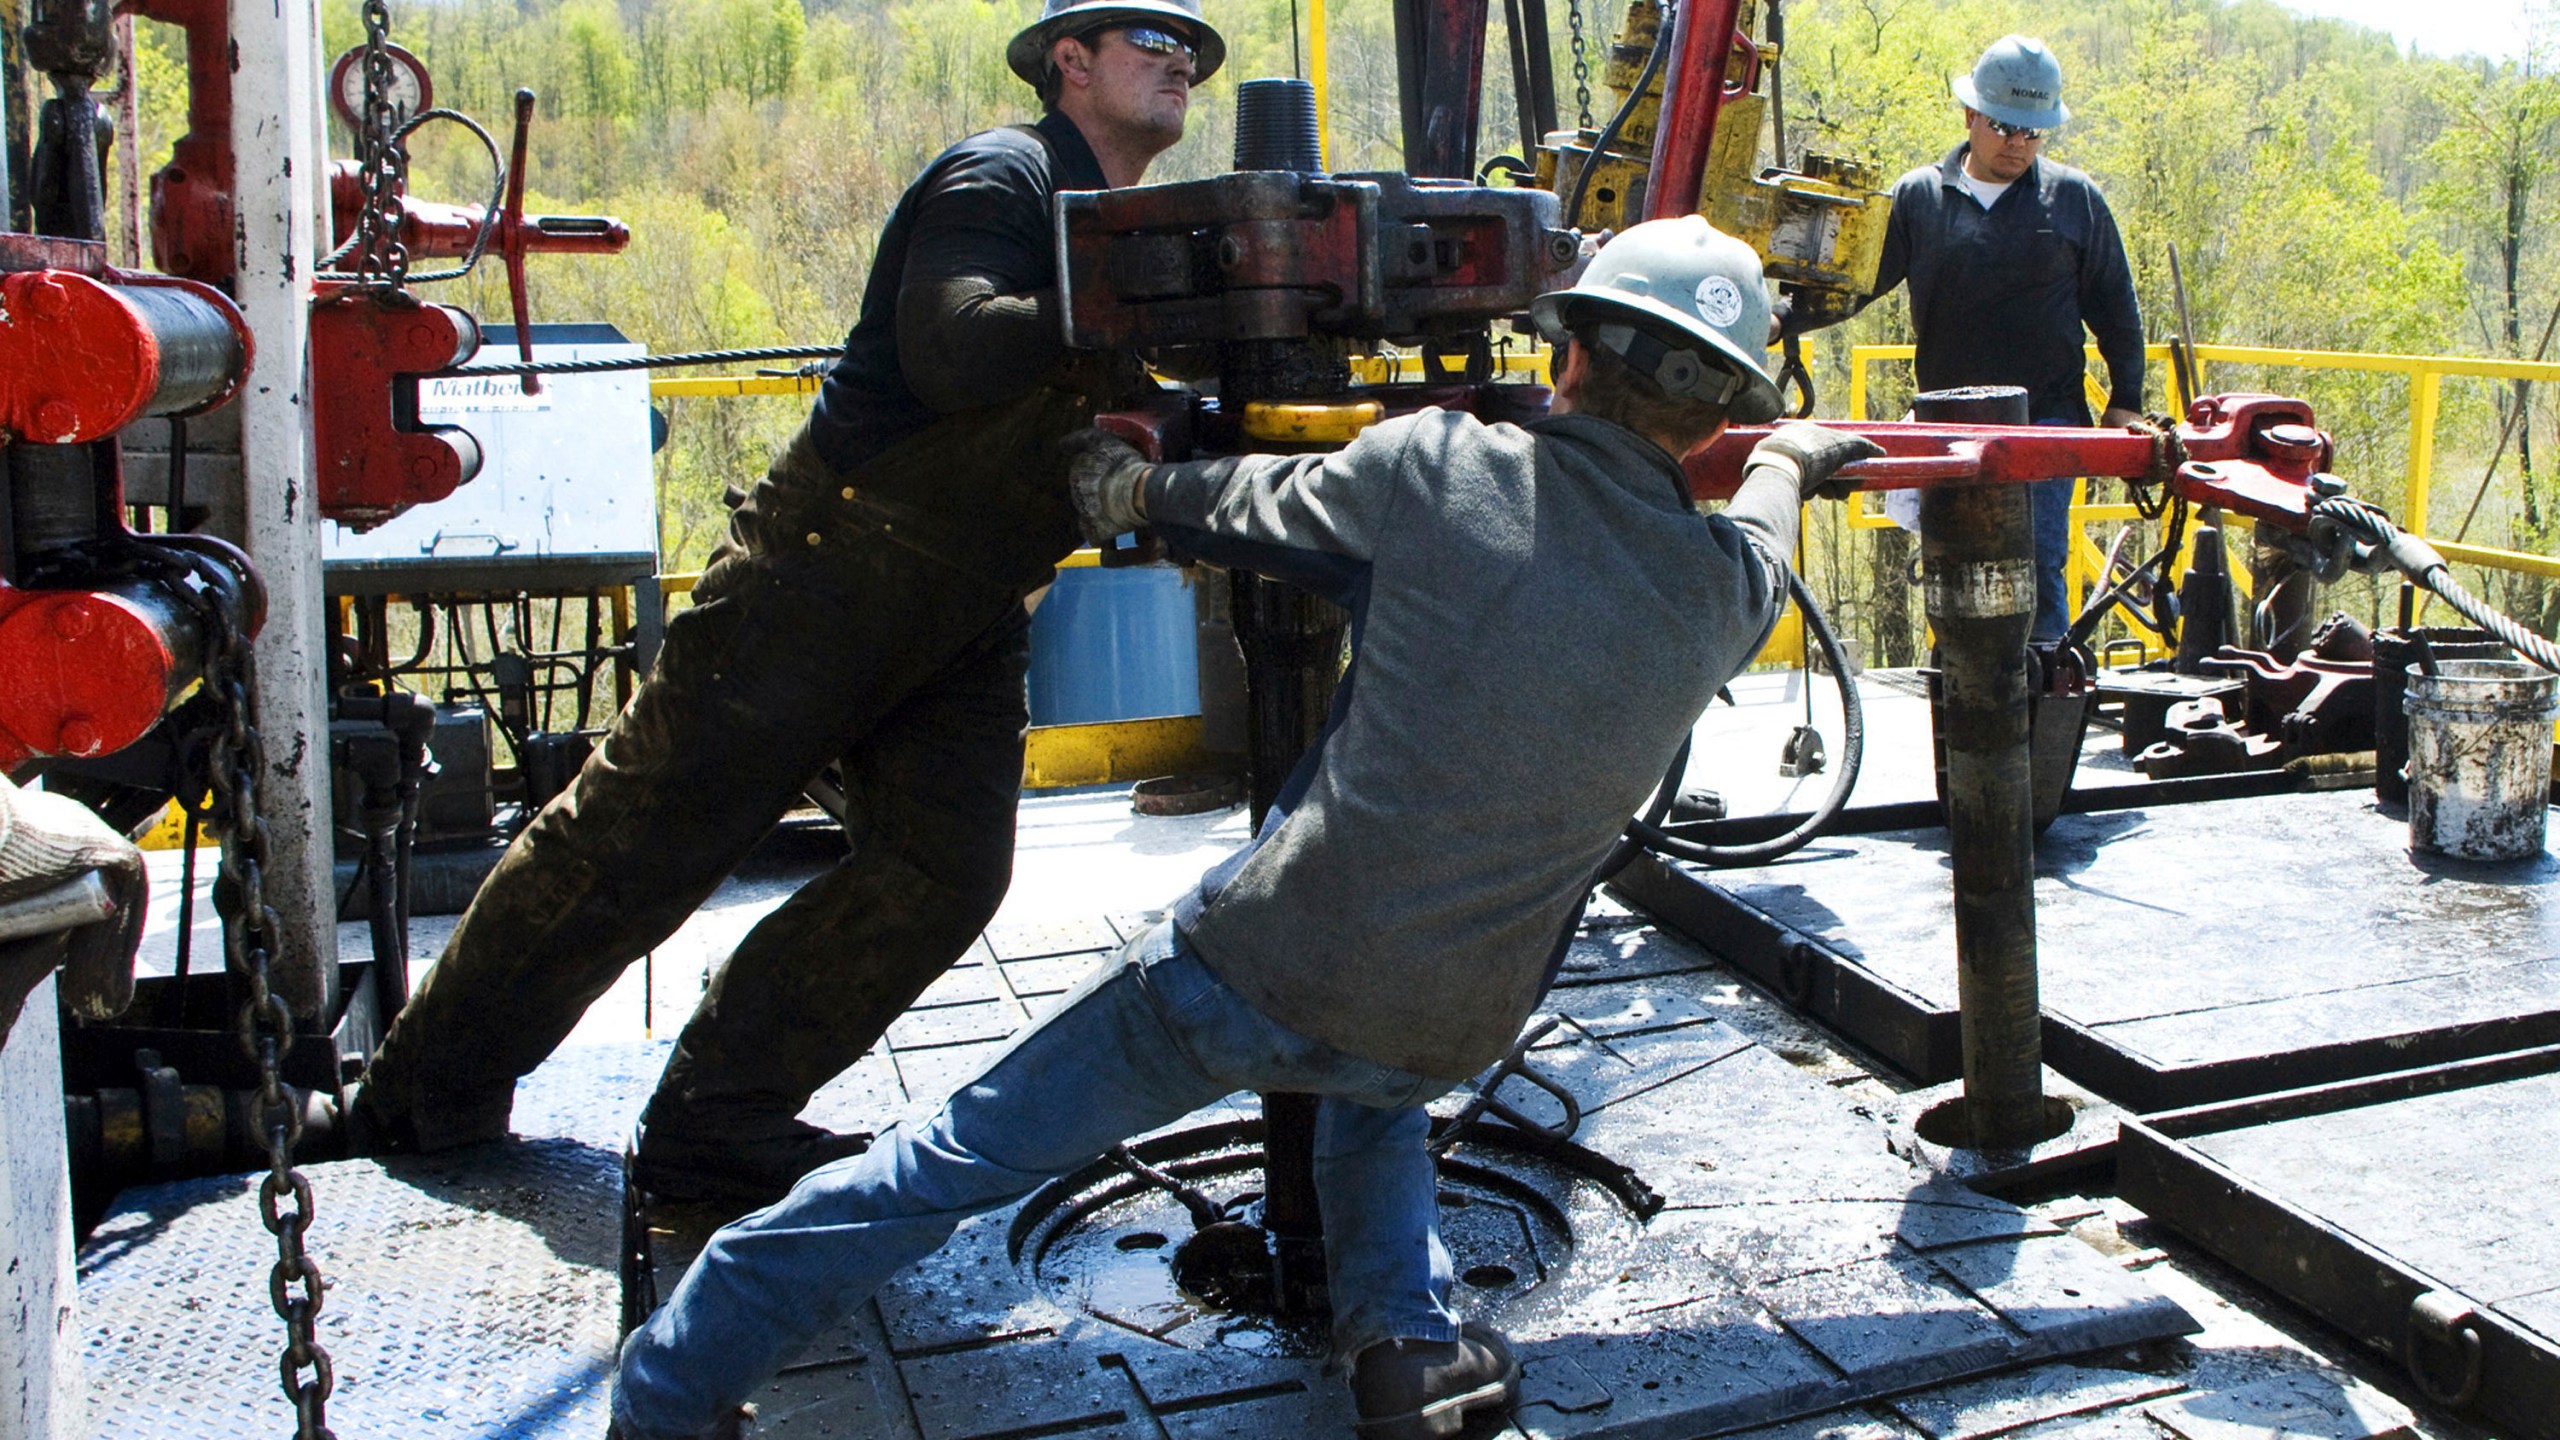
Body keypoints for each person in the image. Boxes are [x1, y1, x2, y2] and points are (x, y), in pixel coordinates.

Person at [604, 217, 1886, 1440]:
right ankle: (1406, 1349)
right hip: (1457, 1018)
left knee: (960, 1156)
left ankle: (673, 1383)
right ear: (1723, 410)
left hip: (1262, 966)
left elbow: (1228, 505)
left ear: (1568, 354)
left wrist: (1128, 479)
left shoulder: (1437, 467)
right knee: (1373, 1084)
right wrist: (1786, 464)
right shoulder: (1725, 591)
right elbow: (1765, 538)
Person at [351, 0, 1228, 1204]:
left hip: (962, 609)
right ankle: (419, 1103)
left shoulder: (1129, 229)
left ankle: (720, 1120)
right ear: (1068, 64)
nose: (1178, 59)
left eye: (1190, 49)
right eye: (1146, 40)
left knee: (942, 872)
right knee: (637, 849)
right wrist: (1149, 303)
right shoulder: (1006, 177)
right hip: (825, 572)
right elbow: (953, 346)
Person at [1785, 33, 2144, 641]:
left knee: (2040, 568)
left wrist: (2125, 404)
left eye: (2034, 132)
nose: (2019, 144)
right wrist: (1779, 320)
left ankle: (2039, 701)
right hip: (1947, 423)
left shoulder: (2074, 200)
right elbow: (1859, 284)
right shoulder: (1920, 198)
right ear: (1971, 115)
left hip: (2047, 423)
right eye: (2006, 127)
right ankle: (1962, 698)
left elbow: (2117, 310)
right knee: (1954, 570)